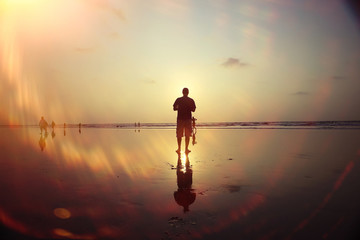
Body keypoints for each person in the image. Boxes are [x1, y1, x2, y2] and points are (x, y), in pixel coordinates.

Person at [173, 88, 196, 153]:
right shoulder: (190, 100)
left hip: (180, 119)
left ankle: (179, 148)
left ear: (182, 92)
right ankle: (186, 149)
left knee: (179, 134)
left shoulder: (178, 100)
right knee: (187, 134)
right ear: (188, 92)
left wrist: (179, 107)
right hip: (187, 119)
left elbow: (174, 108)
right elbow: (193, 109)